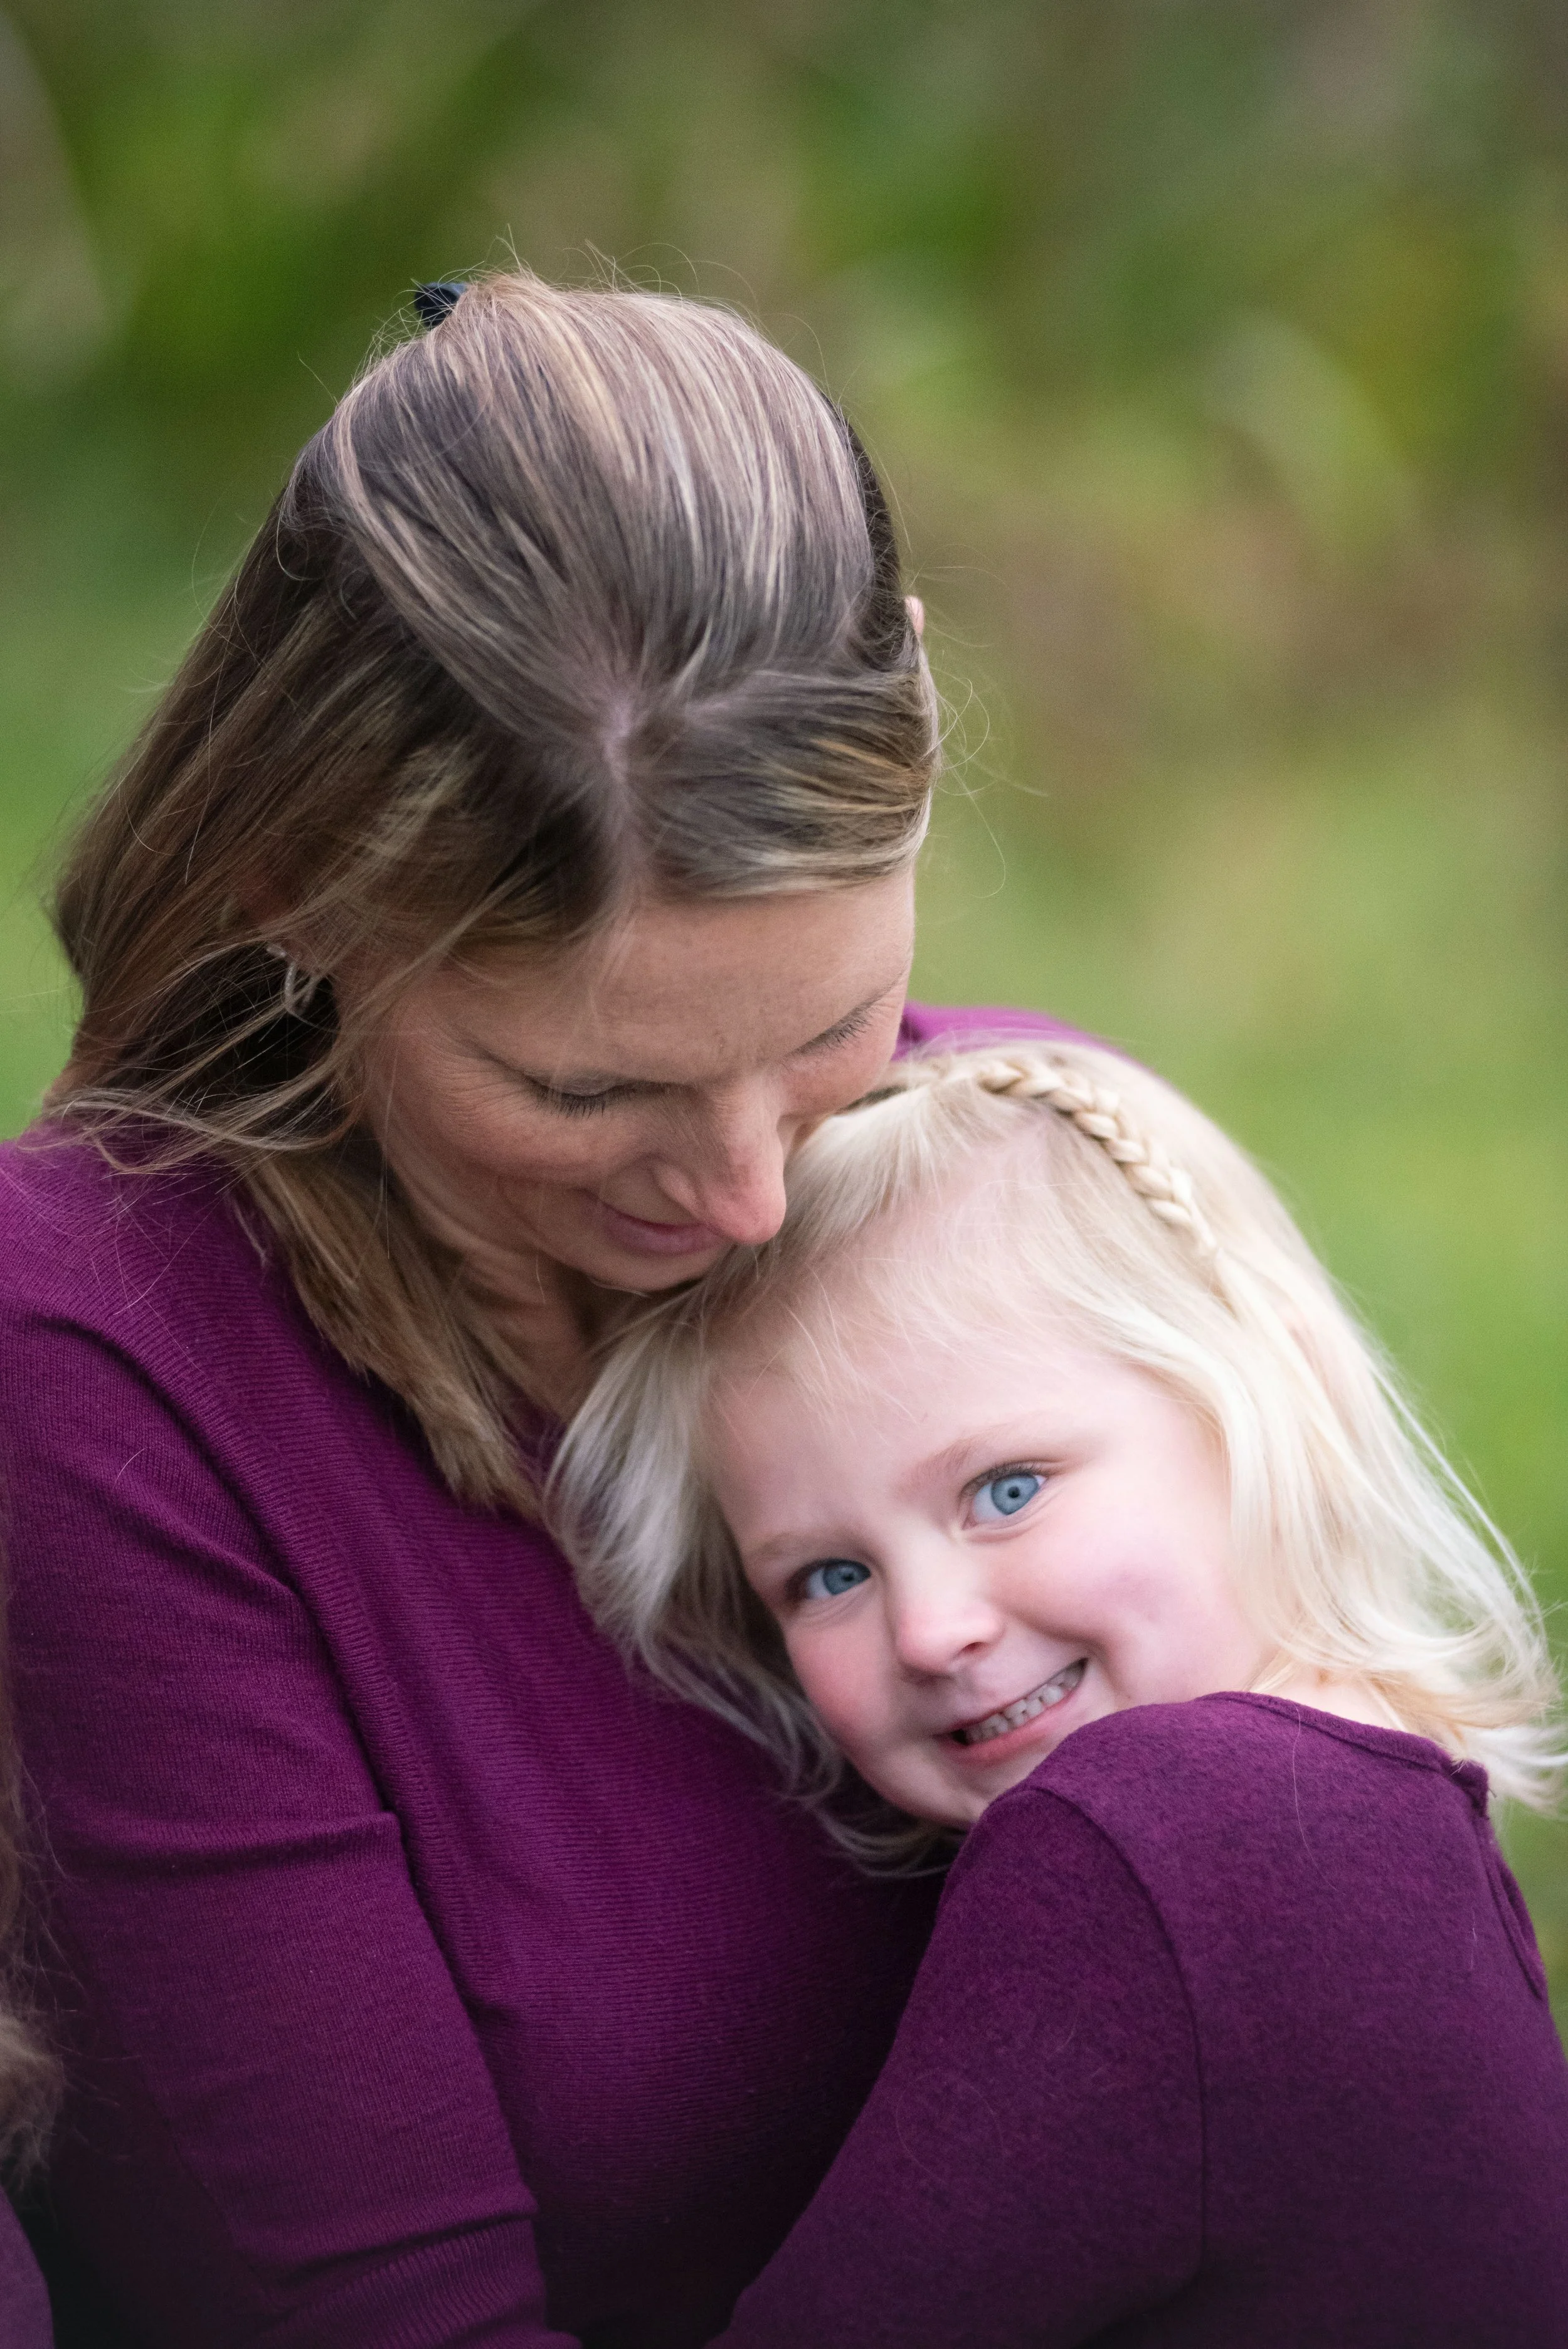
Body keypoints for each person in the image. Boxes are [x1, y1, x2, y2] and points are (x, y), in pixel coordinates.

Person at [0, 271, 1070, 2345]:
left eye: (837, 1025)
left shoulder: (1031, 1167)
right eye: (590, 1091)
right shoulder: (108, 1345)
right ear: (297, 884)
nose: (750, 1189)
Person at [554, 1040, 1568, 2346]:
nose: (927, 1630)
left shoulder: (1163, 1832)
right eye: (828, 1574)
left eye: (1006, 1490)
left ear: (1276, 1391)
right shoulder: (1384, 1810)